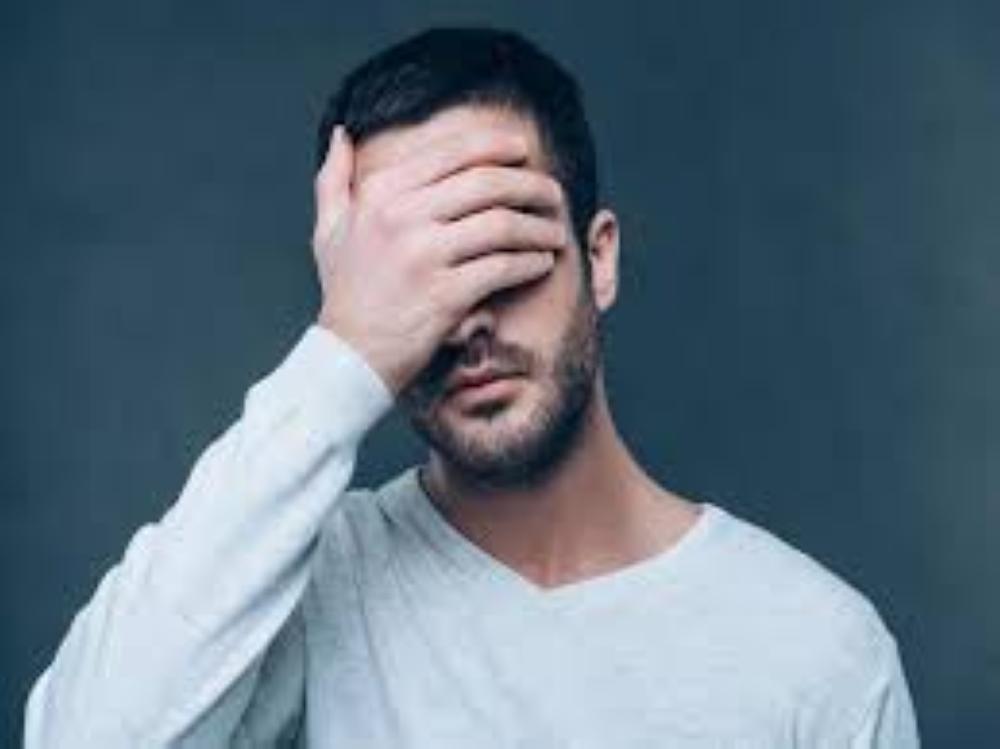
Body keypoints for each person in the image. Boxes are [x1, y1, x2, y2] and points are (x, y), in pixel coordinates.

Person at [24, 26, 920, 748]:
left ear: (600, 257)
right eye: (415, 273)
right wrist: (347, 348)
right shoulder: (301, 590)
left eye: (501, 250)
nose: (466, 323)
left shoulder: (816, 649)